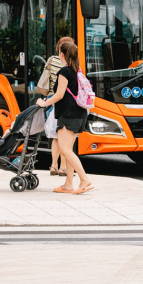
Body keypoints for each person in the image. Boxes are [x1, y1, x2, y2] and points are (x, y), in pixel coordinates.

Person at [36, 40, 93, 194]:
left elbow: (59, 94)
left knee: (65, 149)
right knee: (69, 149)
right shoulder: (77, 70)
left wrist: (44, 102)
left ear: (62, 54)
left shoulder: (64, 72)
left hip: (68, 114)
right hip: (79, 113)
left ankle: (84, 179)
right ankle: (68, 184)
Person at [34, 37, 74, 177]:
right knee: (63, 135)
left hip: (51, 99)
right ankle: (63, 167)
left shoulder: (51, 60)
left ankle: (53, 165)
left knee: (54, 136)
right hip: (63, 100)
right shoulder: (71, 64)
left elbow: (46, 78)